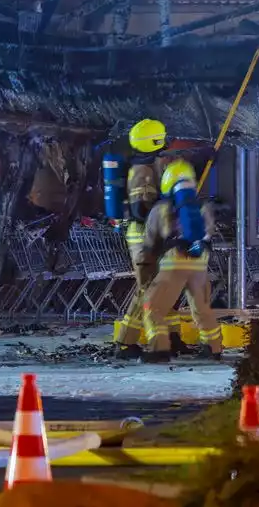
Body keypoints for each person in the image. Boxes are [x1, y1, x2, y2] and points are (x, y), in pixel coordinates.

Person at [112, 118, 186, 361]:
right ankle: (125, 342)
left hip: (154, 235)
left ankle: (173, 337)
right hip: (144, 238)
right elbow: (142, 209)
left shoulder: (151, 165)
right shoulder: (142, 172)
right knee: (148, 289)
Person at [138, 158, 223, 363]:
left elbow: (149, 244)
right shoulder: (203, 207)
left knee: (152, 307)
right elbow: (209, 234)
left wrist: (145, 274)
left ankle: (159, 349)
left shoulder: (161, 209)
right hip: (199, 264)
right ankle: (213, 348)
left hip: (174, 263)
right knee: (201, 308)